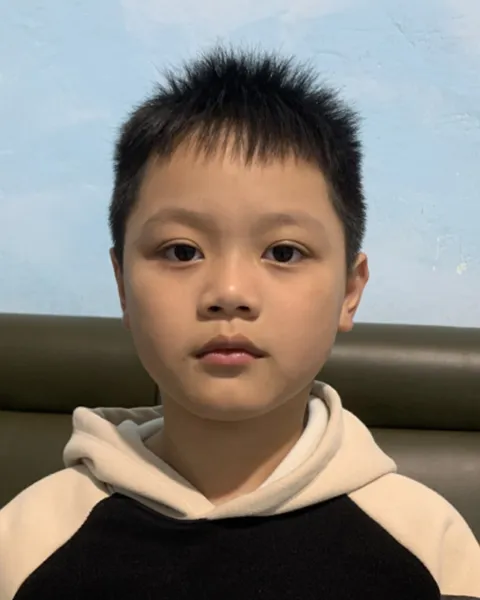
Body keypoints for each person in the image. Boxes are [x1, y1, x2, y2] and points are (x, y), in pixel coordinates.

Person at [0, 46, 479, 600]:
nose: (229, 293)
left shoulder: (429, 544)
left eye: (283, 252)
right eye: (182, 252)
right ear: (122, 285)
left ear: (350, 291)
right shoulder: (26, 541)